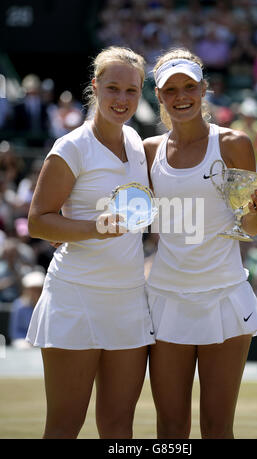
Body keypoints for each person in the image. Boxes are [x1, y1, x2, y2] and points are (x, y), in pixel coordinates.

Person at [143, 48, 257, 439]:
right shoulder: (148, 152)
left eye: (189, 86)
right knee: (170, 429)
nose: (181, 96)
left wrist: (256, 209)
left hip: (224, 297)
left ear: (204, 89)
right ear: (160, 97)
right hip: (165, 299)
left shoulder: (234, 143)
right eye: (171, 90)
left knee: (218, 428)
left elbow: (249, 227)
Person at [25, 46, 155, 439]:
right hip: (75, 299)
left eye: (131, 91)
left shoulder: (135, 142)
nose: (121, 99)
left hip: (129, 301)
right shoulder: (71, 148)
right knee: (65, 426)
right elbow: (37, 222)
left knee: (119, 428)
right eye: (112, 88)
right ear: (95, 87)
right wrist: (93, 228)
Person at [9, 271, 45, 349]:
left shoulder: (48, 306)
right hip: (24, 342)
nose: (35, 292)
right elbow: (15, 333)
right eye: (32, 289)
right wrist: (29, 342)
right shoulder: (18, 305)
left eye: (38, 289)